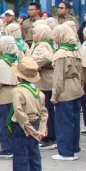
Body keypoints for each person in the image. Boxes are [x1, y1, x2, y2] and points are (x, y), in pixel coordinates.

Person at [6, 58, 48, 171]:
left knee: (21, 161)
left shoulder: (17, 91)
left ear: (19, 76)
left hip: (22, 128)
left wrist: (29, 129)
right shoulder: (39, 93)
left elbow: (19, 112)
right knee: (34, 160)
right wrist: (41, 130)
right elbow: (44, 112)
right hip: (35, 124)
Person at [51, 24, 83, 160]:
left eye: (55, 35)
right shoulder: (75, 50)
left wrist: (54, 95)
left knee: (63, 122)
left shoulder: (60, 54)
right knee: (74, 120)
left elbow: (58, 78)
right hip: (76, 87)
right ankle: (74, 148)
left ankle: (65, 152)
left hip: (65, 90)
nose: (53, 38)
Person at [0, 36, 20, 159]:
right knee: (13, 122)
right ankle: (14, 146)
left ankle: (7, 148)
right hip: (16, 94)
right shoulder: (17, 59)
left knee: (3, 122)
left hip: (5, 96)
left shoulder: (3, 62)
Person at [29, 22, 56, 151]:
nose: (33, 35)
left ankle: (48, 136)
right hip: (47, 81)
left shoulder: (42, 45)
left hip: (44, 82)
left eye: (34, 33)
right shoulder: (48, 44)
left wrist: (33, 65)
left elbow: (46, 58)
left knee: (45, 111)